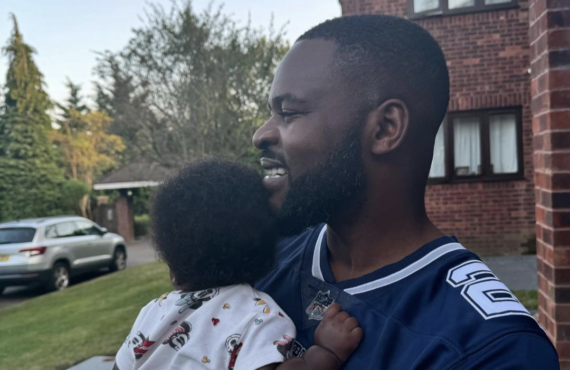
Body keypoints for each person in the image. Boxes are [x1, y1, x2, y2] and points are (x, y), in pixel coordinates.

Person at [253, 15, 560, 369]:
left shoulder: (490, 350)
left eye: (288, 113)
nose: (261, 135)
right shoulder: (263, 256)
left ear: (386, 128)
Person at [113, 158, 362, 370]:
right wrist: (326, 353)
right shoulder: (257, 316)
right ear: (265, 253)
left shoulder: (152, 313)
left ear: (172, 267)